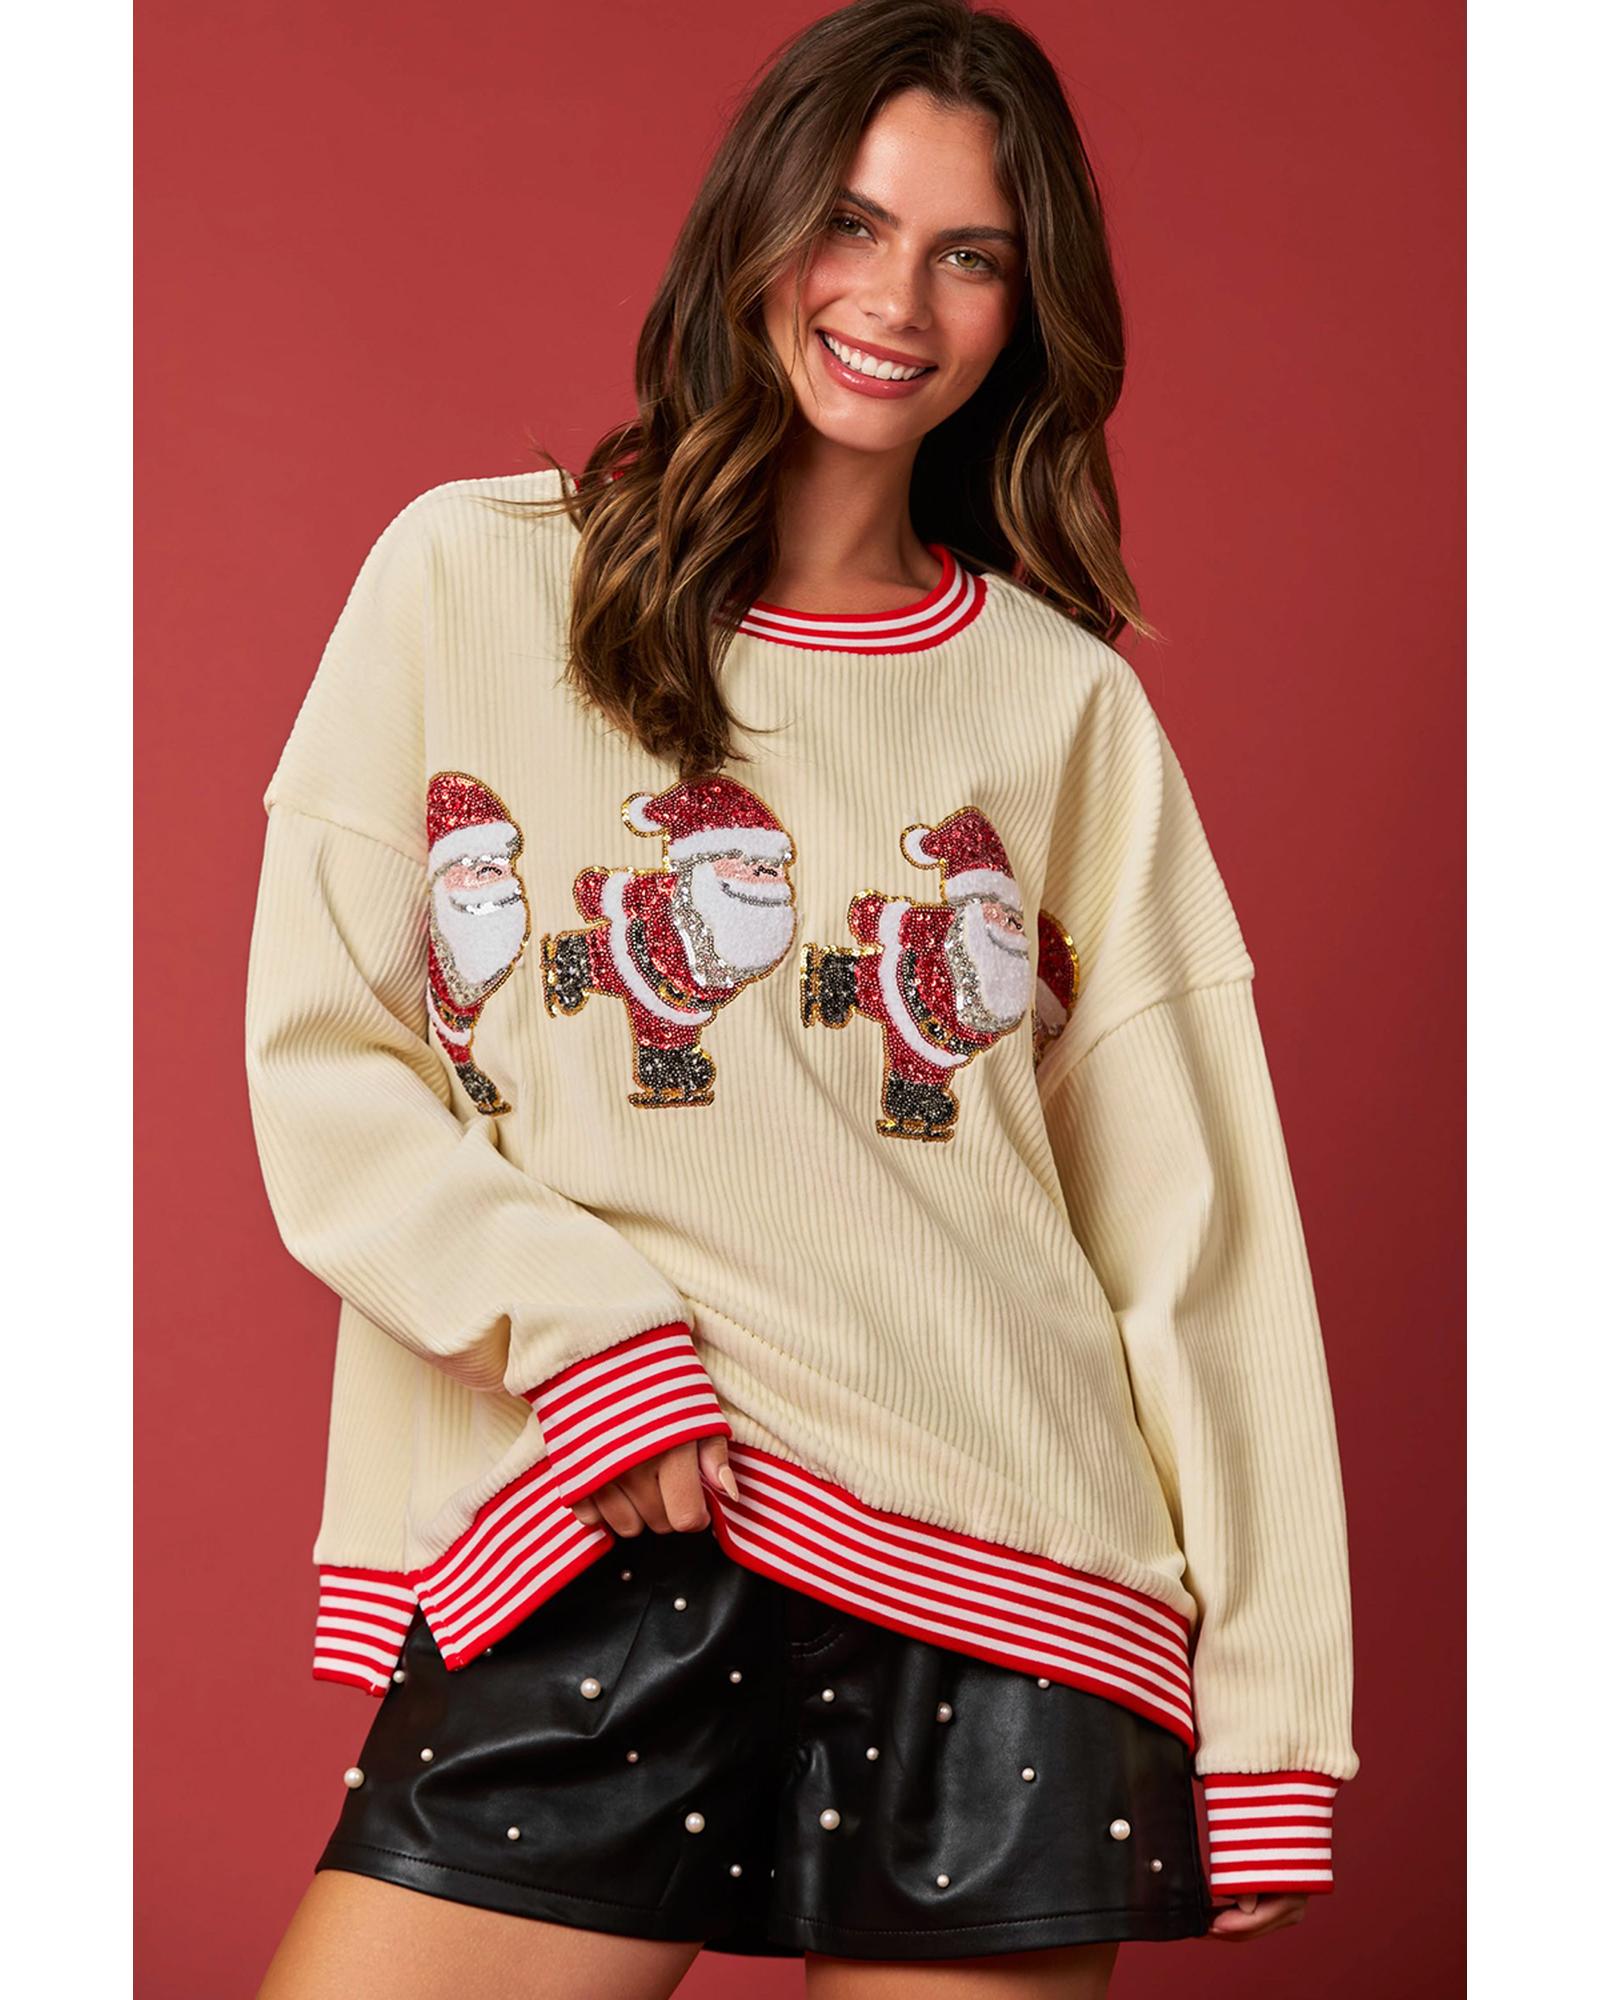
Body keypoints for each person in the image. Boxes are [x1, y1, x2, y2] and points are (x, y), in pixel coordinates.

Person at [246, 4, 1358, 1994]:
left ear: (1024, 310)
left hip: (1011, 1588)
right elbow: (327, 1058)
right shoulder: (465, 579)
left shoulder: (1061, 707)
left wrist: (1276, 1699)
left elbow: (1196, 1233)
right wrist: (580, 1325)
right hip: (613, 1506)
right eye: (850, 223)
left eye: (968, 253)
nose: (893, 301)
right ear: (750, 226)